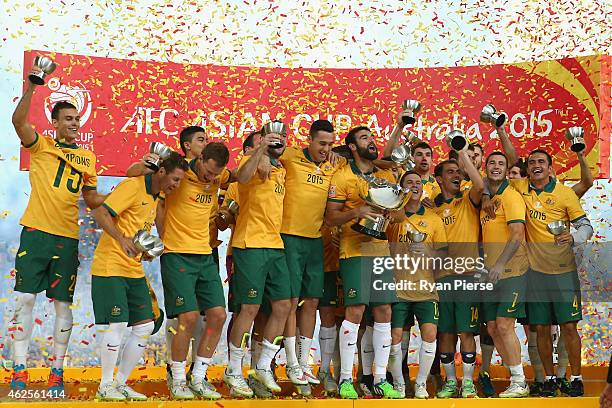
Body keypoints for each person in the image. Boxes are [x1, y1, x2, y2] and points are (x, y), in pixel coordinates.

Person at [9, 62, 106, 393]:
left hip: (67, 238)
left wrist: (128, 193)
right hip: (35, 232)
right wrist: (33, 86)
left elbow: (91, 200)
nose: (75, 123)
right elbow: (18, 121)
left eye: (77, 119)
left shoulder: (88, 158)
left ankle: (57, 372)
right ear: (55, 123)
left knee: (63, 305)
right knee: (24, 300)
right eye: (68, 119)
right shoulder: (41, 146)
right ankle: (19, 368)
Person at [92, 152, 187, 401]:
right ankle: (105, 384)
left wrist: (147, 250)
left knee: (145, 325)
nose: (176, 186)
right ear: (161, 172)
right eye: (175, 180)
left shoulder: (157, 195)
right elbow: (100, 213)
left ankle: (120, 383)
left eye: (180, 182)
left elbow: (137, 229)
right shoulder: (133, 186)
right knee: (118, 324)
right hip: (110, 266)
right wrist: (121, 239)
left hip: (133, 268)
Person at [325, 126, 402, 399]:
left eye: (372, 137)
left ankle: (379, 379)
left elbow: (401, 213)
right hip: (354, 251)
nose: (372, 141)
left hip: (380, 251)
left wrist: (392, 213)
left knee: (384, 312)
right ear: (353, 147)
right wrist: (357, 211)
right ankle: (346, 378)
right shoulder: (342, 176)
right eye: (365, 138)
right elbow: (331, 217)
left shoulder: (384, 175)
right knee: (355, 310)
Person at [511, 149, 593, 397]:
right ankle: (548, 379)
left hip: (563, 272)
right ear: (528, 168)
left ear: (550, 167)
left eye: (541, 162)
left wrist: (574, 237)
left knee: (569, 327)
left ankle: (576, 377)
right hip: (534, 273)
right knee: (541, 328)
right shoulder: (518, 188)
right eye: (532, 162)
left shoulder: (565, 193)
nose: (536, 166)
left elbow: (585, 226)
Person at [157, 142, 231, 400]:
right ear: (200, 158)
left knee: (218, 315)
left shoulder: (218, 177)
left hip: (204, 254)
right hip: (176, 254)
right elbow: (151, 188)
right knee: (187, 318)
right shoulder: (179, 173)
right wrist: (161, 236)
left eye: (215, 175)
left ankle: (198, 377)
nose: (210, 178)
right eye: (208, 172)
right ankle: (177, 379)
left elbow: (242, 177)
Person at [223, 122, 292, 397]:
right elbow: (241, 178)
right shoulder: (250, 161)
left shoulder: (282, 170)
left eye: (283, 137)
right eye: (273, 137)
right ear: (262, 139)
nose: (279, 141)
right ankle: (233, 371)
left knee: (283, 306)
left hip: (275, 246)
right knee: (248, 310)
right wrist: (261, 148)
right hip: (249, 244)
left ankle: (263, 366)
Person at [278, 119, 345, 390]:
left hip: (316, 240)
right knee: (292, 301)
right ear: (309, 139)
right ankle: (292, 362)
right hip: (289, 238)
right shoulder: (290, 155)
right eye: (321, 143)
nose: (325, 149)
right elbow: (257, 153)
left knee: (312, 302)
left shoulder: (335, 163)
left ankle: (305, 364)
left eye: (329, 144)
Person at [386, 171, 448, 399]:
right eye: (409, 182)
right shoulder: (393, 217)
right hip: (397, 288)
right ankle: (400, 383)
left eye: (418, 182)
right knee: (394, 338)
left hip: (425, 289)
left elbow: (443, 256)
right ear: (401, 188)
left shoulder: (434, 219)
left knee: (430, 333)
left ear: (424, 188)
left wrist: (428, 252)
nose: (414, 185)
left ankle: (421, 383)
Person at [431, 150, 484, 399]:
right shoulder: (430, 206)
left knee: (466, 331)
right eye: (450, 172)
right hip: (440, 278)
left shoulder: (468, 198)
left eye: (458, 172)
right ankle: (451, 381)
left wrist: (462, 154)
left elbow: (480, 183)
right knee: (446, 332)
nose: (456, 175)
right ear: (439, 179)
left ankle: (469, 382)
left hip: (468, 276)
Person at [479, 152, 530, 398]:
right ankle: (515, 377)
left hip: (512, 271)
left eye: (501, 163)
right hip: (491, 274)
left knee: (504, 324)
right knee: (492, 327)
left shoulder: (512, 196)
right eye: (492, 163)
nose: (496, 167)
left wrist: (499, 264)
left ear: (507, 168)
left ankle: (519, 381)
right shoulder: (487, 196)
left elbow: (517, 234)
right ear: (485, 168)